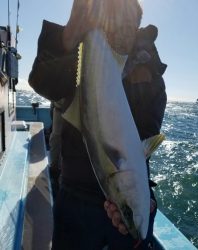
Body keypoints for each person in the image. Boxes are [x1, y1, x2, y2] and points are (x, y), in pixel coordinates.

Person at [29, 0, 166, 249]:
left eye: (129, 23)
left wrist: (146, 204)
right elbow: (41, 80)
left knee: (133, 231)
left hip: (110, 193)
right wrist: (70, 32)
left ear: (137, 26)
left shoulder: (151, 80)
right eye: (117, 20)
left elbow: (145, 138)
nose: (122, 29)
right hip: (74, 194)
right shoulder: (82, 55)